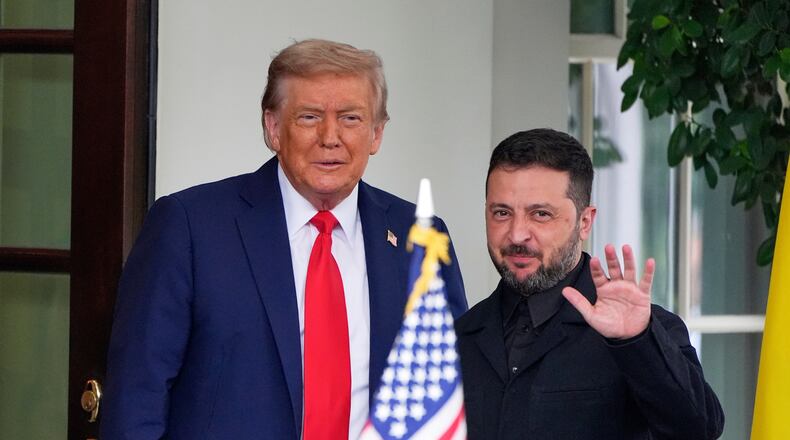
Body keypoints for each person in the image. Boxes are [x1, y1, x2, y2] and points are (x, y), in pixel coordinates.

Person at [100, 39, 467, 440]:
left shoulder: (420, 236)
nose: (330, 137)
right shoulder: (190, 226)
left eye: (351, 118)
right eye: (309, 117)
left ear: (377, 134)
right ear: (273, 128)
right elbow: (138, 395)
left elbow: (448, 394)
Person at [456, 128, 724, 439]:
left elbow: (699, 429)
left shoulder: (641, 331)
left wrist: (636, 342)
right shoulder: (460, 336)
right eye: (501, 213)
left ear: (585, 222)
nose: (517, 235)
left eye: (540, 214)